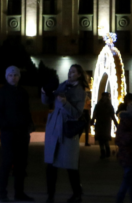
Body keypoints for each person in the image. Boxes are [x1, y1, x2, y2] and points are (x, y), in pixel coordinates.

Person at [41, 64, 87, 203]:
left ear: (79, 74)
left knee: (70, 165)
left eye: (73, 72)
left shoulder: (80, 91)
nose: (70, 73)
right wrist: (44, 91)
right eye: (69, 71)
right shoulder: (61, 85)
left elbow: (77, 113)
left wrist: (65, 103)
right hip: (54, 129)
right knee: (51, 165)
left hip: (68, 130)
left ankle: (77, 194)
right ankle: (50, 195)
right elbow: (47, 101)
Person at [0, 66, 35, 202]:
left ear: (19, 77)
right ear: (6, 76)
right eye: (10, 75)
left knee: (21, 164)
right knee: (7, 163)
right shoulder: (0, 93)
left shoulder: (23, 92)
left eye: (15, 75)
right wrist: (6, 126)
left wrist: (29, 125)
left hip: (22, 133)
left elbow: (26, 111)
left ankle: (19, 193)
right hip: (8, 134)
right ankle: (2, 194)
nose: (13, 77)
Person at [91, 92, 116, 159]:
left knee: (103, 138)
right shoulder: (108, 106)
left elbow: (95, 113)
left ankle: (105, 152)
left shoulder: (99, 105)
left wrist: (93, 120)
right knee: (102, 138)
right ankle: (105, 151)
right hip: (104, 123)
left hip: (103, 123)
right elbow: (112, 115)